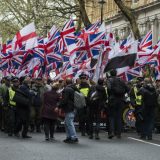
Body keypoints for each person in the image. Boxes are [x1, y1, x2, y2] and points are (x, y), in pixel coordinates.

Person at [107, 69, 129, 139]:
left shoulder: (109, 80)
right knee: (119, 117)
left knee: (111, 117)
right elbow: (128, 89)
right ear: (116, 73)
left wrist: (111, 95)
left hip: (112, 100)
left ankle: (112, 132)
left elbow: (109, 89)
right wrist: (122, 94)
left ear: (110, 74)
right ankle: (118, 133)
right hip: (121, 100)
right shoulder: (121, 80)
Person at [59, 78, 78, 143]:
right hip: (73, 107)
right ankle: (69, 136)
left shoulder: (67, 89)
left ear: (66, 82)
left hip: (69, 108)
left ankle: (73, 137)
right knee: (67, 123)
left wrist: (59, 106)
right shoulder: (74, 87)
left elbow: (65, 100)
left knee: (69, 123)